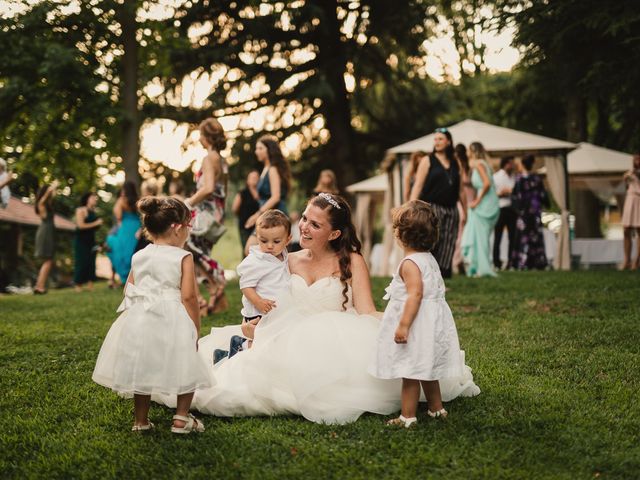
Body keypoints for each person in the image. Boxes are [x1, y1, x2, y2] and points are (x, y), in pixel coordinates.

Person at [151, 193, 479, 424]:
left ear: (334, 233)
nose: (304, 227)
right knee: (230, 383)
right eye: (304, 219)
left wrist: (406, 325)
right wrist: (251, 322)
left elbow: (365, 310)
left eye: (315, 225)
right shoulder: (284, 258)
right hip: (282, 335)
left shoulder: (352, 261)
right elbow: (259, 299)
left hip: (336, 340)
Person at [93, 196, 210, 433]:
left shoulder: (140, 256)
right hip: (173, 316)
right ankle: (181, 417)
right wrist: (195, 328)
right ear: (177, 229)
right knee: (185, 362)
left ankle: (141, 421)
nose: (189, 231)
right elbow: (189, 297)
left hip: (141, 317)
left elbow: (129, 289)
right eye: (188, 226)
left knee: (141, 365)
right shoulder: (183, 257)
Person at [370, 200, 468, 427]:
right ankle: (436, 408)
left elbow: (415, 295)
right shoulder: (429, 259)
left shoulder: (409, 263)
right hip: (431, 323)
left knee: (410, 371)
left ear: (400, 235)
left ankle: (407, 416)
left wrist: (403, 325)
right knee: (427, 369)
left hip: (416, 325)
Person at [214, 209, 291, 362]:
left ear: (287, 240)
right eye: (263, 241)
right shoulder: (256, 260)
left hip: (272, 309)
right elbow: (246, 286)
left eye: (276, 241)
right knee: (265, 343)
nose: (269, 246)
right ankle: (240, 346)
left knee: (268, 342)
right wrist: (258, 302)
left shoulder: (283, 254)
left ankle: (228, 354)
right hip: (259, 310)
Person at [184, 118, 230, 314]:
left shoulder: (208, 158)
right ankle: (211, 297)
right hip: (216, 213)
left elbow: (208, 188)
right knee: (197, 253)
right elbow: (224, 191)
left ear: (207, 137)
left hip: (205, 211)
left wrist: (187, 203)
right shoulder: (222, 160)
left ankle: (216, 280)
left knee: (186, 246)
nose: (200, 140)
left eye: (201, 136)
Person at [409, 128, 467, 279]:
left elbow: (460, 190)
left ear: (448, 142)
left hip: (452, 208)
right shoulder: (427, 160)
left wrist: (465, 211)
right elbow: (418, 185)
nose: (437, 142)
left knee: (449, 242)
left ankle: (443, 277)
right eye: (435, 139)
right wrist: (410, 207)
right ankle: (429, 276)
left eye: (440, 139)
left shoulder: (456, 163)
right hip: (433, 207)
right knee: (433, 241)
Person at [243, 135, 291, 253]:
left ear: (268, 150)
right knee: (254, 250)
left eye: (260, 148)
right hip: (266, 215)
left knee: (251, 249)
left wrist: (256, 215)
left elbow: (275, 197)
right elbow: (263, 196)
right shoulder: (266, 168)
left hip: (275, 215)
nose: (256, 151)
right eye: (256, 148)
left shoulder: (273, 169)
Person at [461, 142, 500, 277]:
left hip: (485, 202)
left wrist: (477, 201)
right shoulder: (483, 163)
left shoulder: (478, 164)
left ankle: (483, 268)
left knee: (481, 237)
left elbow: (487, 184)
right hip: (488, 200)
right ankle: (478, 267)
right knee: (480, 236)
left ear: (472, 151)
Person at [511, 155, 550, 270]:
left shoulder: (519, 179)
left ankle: (522, 262)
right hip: (535, 212)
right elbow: (543, 195)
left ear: (522, 165)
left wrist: (517, 209)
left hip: (524, 212)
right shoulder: (537, 179)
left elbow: (515, 197)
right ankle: (537, 262)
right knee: (535, 236)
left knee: (523, 237)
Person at [106, 181, 141, 283]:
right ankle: (134, 277)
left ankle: (124, 277)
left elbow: (118, 216)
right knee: (133, 251)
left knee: (119, 248)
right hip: (136, 227)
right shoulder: (138, 200)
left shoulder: (121, 201)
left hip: (126, 228)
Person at [33, 180, 59, 294]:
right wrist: (52, 187)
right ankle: (40, 287)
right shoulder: (41, 204)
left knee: (48, 261)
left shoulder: (48, 205)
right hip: (45, 234)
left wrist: (53, 190)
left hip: (48, 233)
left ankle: (39, 286)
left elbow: (50, 197)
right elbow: (46, 196)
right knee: (48, 260)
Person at [73, 192, 103, 292]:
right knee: (81, 262)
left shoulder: (93, 211)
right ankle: (78, 285)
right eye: (93, 198)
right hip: (81, 240)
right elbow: (80, 226)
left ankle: (90, 285)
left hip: (91, 240)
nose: (95, 199)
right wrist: (96, 223)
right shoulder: (80, 210)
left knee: (91, 262)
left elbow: (94, 228)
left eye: (95, 198)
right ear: (87, 199)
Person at [492, 156, 517, 270]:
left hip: (512, 209)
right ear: (506, 164)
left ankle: (510, 262)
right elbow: (492, 194)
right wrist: (500, 193)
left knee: (513, 237)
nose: (513, 166)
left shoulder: (514, 177)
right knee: (498, 236)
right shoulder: (496, 177)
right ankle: (497, 263)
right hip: (500, 208)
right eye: (511, 163)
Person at [452, 143, 473, 274]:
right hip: (462, 201)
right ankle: (457, 261)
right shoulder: (458, 166)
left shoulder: (467, 167)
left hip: (468, 200)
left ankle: (461, 260)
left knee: (464, 234)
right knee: (460, 234)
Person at [231, 170, 260, 258]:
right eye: (252, 177)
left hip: (258, 226)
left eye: (256, 177)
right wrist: (242, 216)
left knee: (257, 250)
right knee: (246, 249)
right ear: (248, 180)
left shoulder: (262, 194)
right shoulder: (242, 193)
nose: (255, 179)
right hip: (245, 226)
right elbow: (234, 208)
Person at [622, 154, 640, 270]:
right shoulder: (630, 173)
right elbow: (625, 182)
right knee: (626, 229)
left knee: (639, 229)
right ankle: (626, 259)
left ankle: (636, 260)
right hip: (630, 200)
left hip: (639, 199)